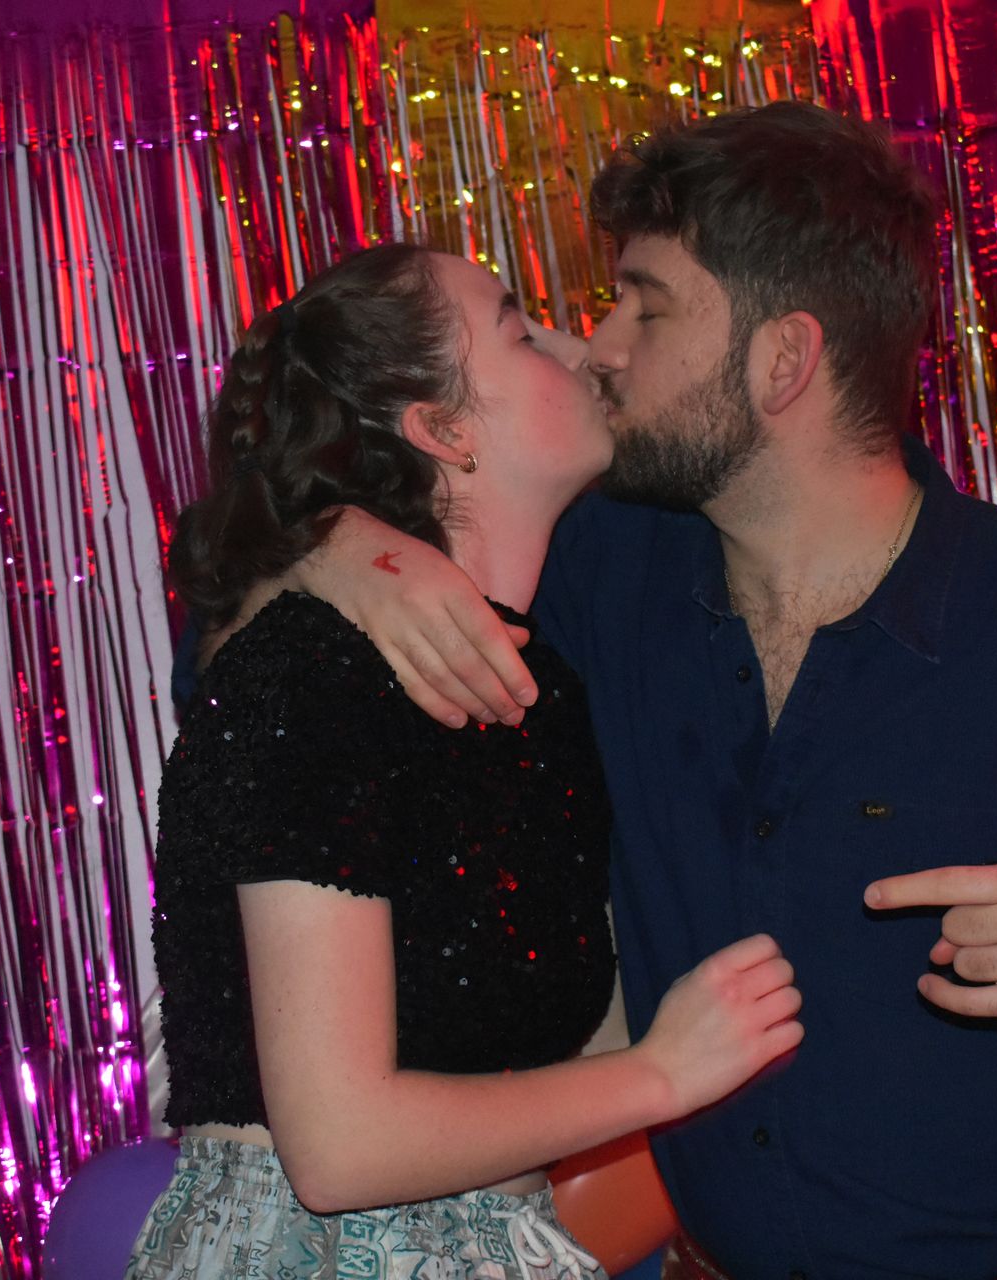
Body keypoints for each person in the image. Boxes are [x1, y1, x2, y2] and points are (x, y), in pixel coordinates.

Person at [230, 105, 997, 1277]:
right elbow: (237, 639)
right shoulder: (599, 573)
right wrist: (346, 551)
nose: (600, 346)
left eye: (646, 305)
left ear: (783, 360)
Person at [131, 242, 804, 1280]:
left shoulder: (546, 688)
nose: (582, 349)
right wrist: (664, 1072)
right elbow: (340, 1148)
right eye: (521, 330)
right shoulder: (310, 664)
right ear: (442, 430)